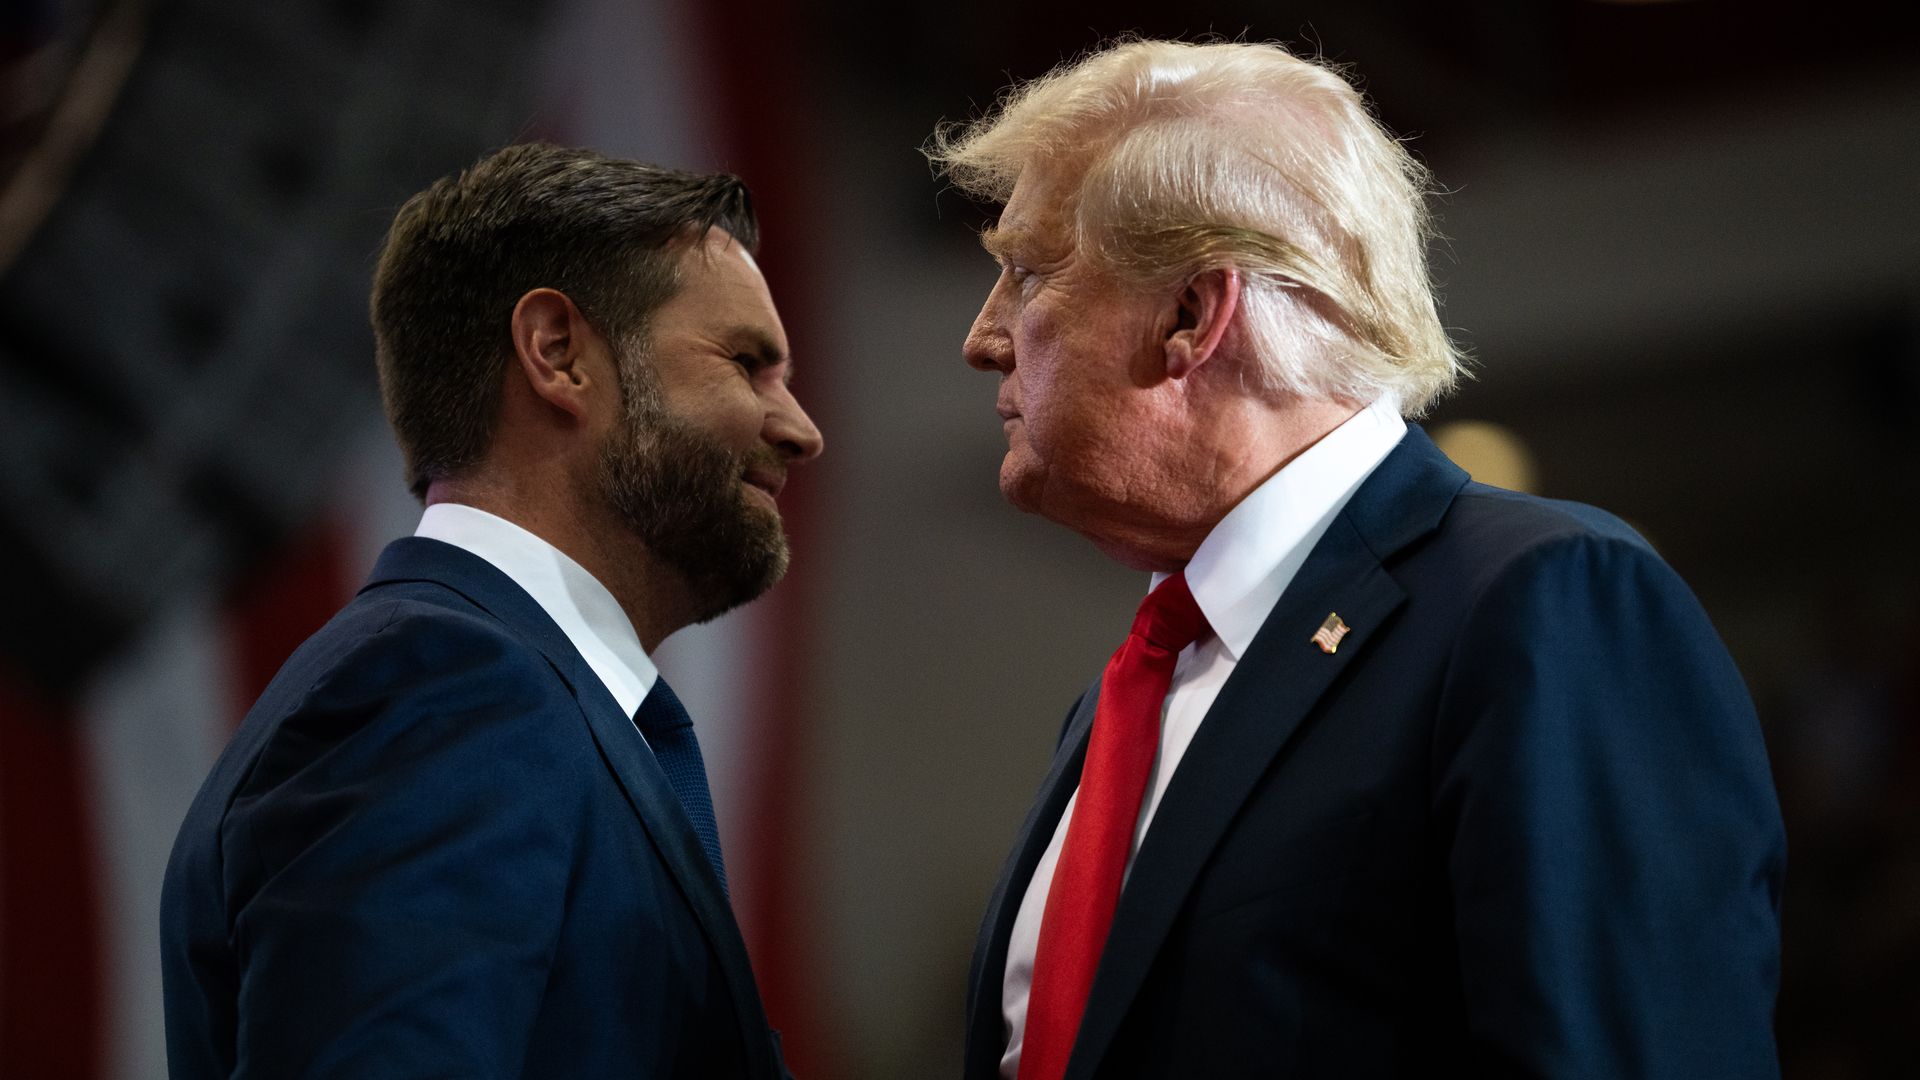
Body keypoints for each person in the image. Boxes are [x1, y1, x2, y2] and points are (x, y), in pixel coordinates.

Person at [927, 40, 1783, 1079]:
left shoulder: (1545, 604)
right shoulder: (1139, 690)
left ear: (1192, 316)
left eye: (1026, 273)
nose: (984, 337)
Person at [160, 143, 821, 1078]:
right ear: (558, 354)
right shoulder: (442, 693)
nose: (801, 426)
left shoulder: (499, 696)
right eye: (747, 363)